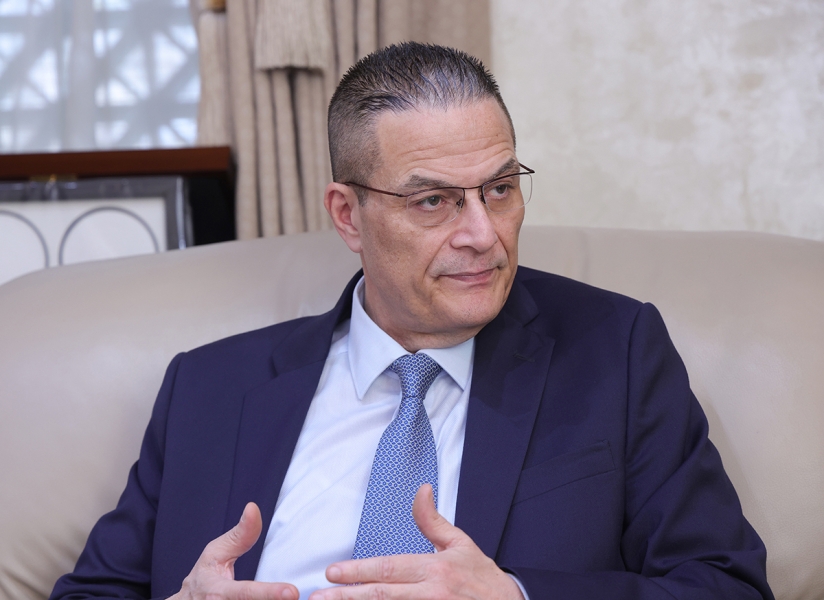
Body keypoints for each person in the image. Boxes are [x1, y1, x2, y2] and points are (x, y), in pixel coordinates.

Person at [50, 42, 773, 600]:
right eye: (433, 201)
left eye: (499, 189)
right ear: (348, 215)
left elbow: (727, 586)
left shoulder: (615, 353)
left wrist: (517, 597)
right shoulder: (209, 386)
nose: (483, 235)